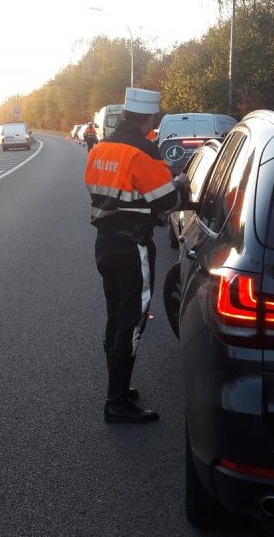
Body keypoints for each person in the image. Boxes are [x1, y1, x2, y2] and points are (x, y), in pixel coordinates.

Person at [84, 87, 187, 424]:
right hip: (132, 246)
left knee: (116, 315)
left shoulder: (101, 148)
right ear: (150, 119)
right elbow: (167, 203)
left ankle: (118, 389)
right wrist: (182, 184)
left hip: (105, 243)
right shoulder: (144, 153)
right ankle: (116, 402)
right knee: (133, 320)